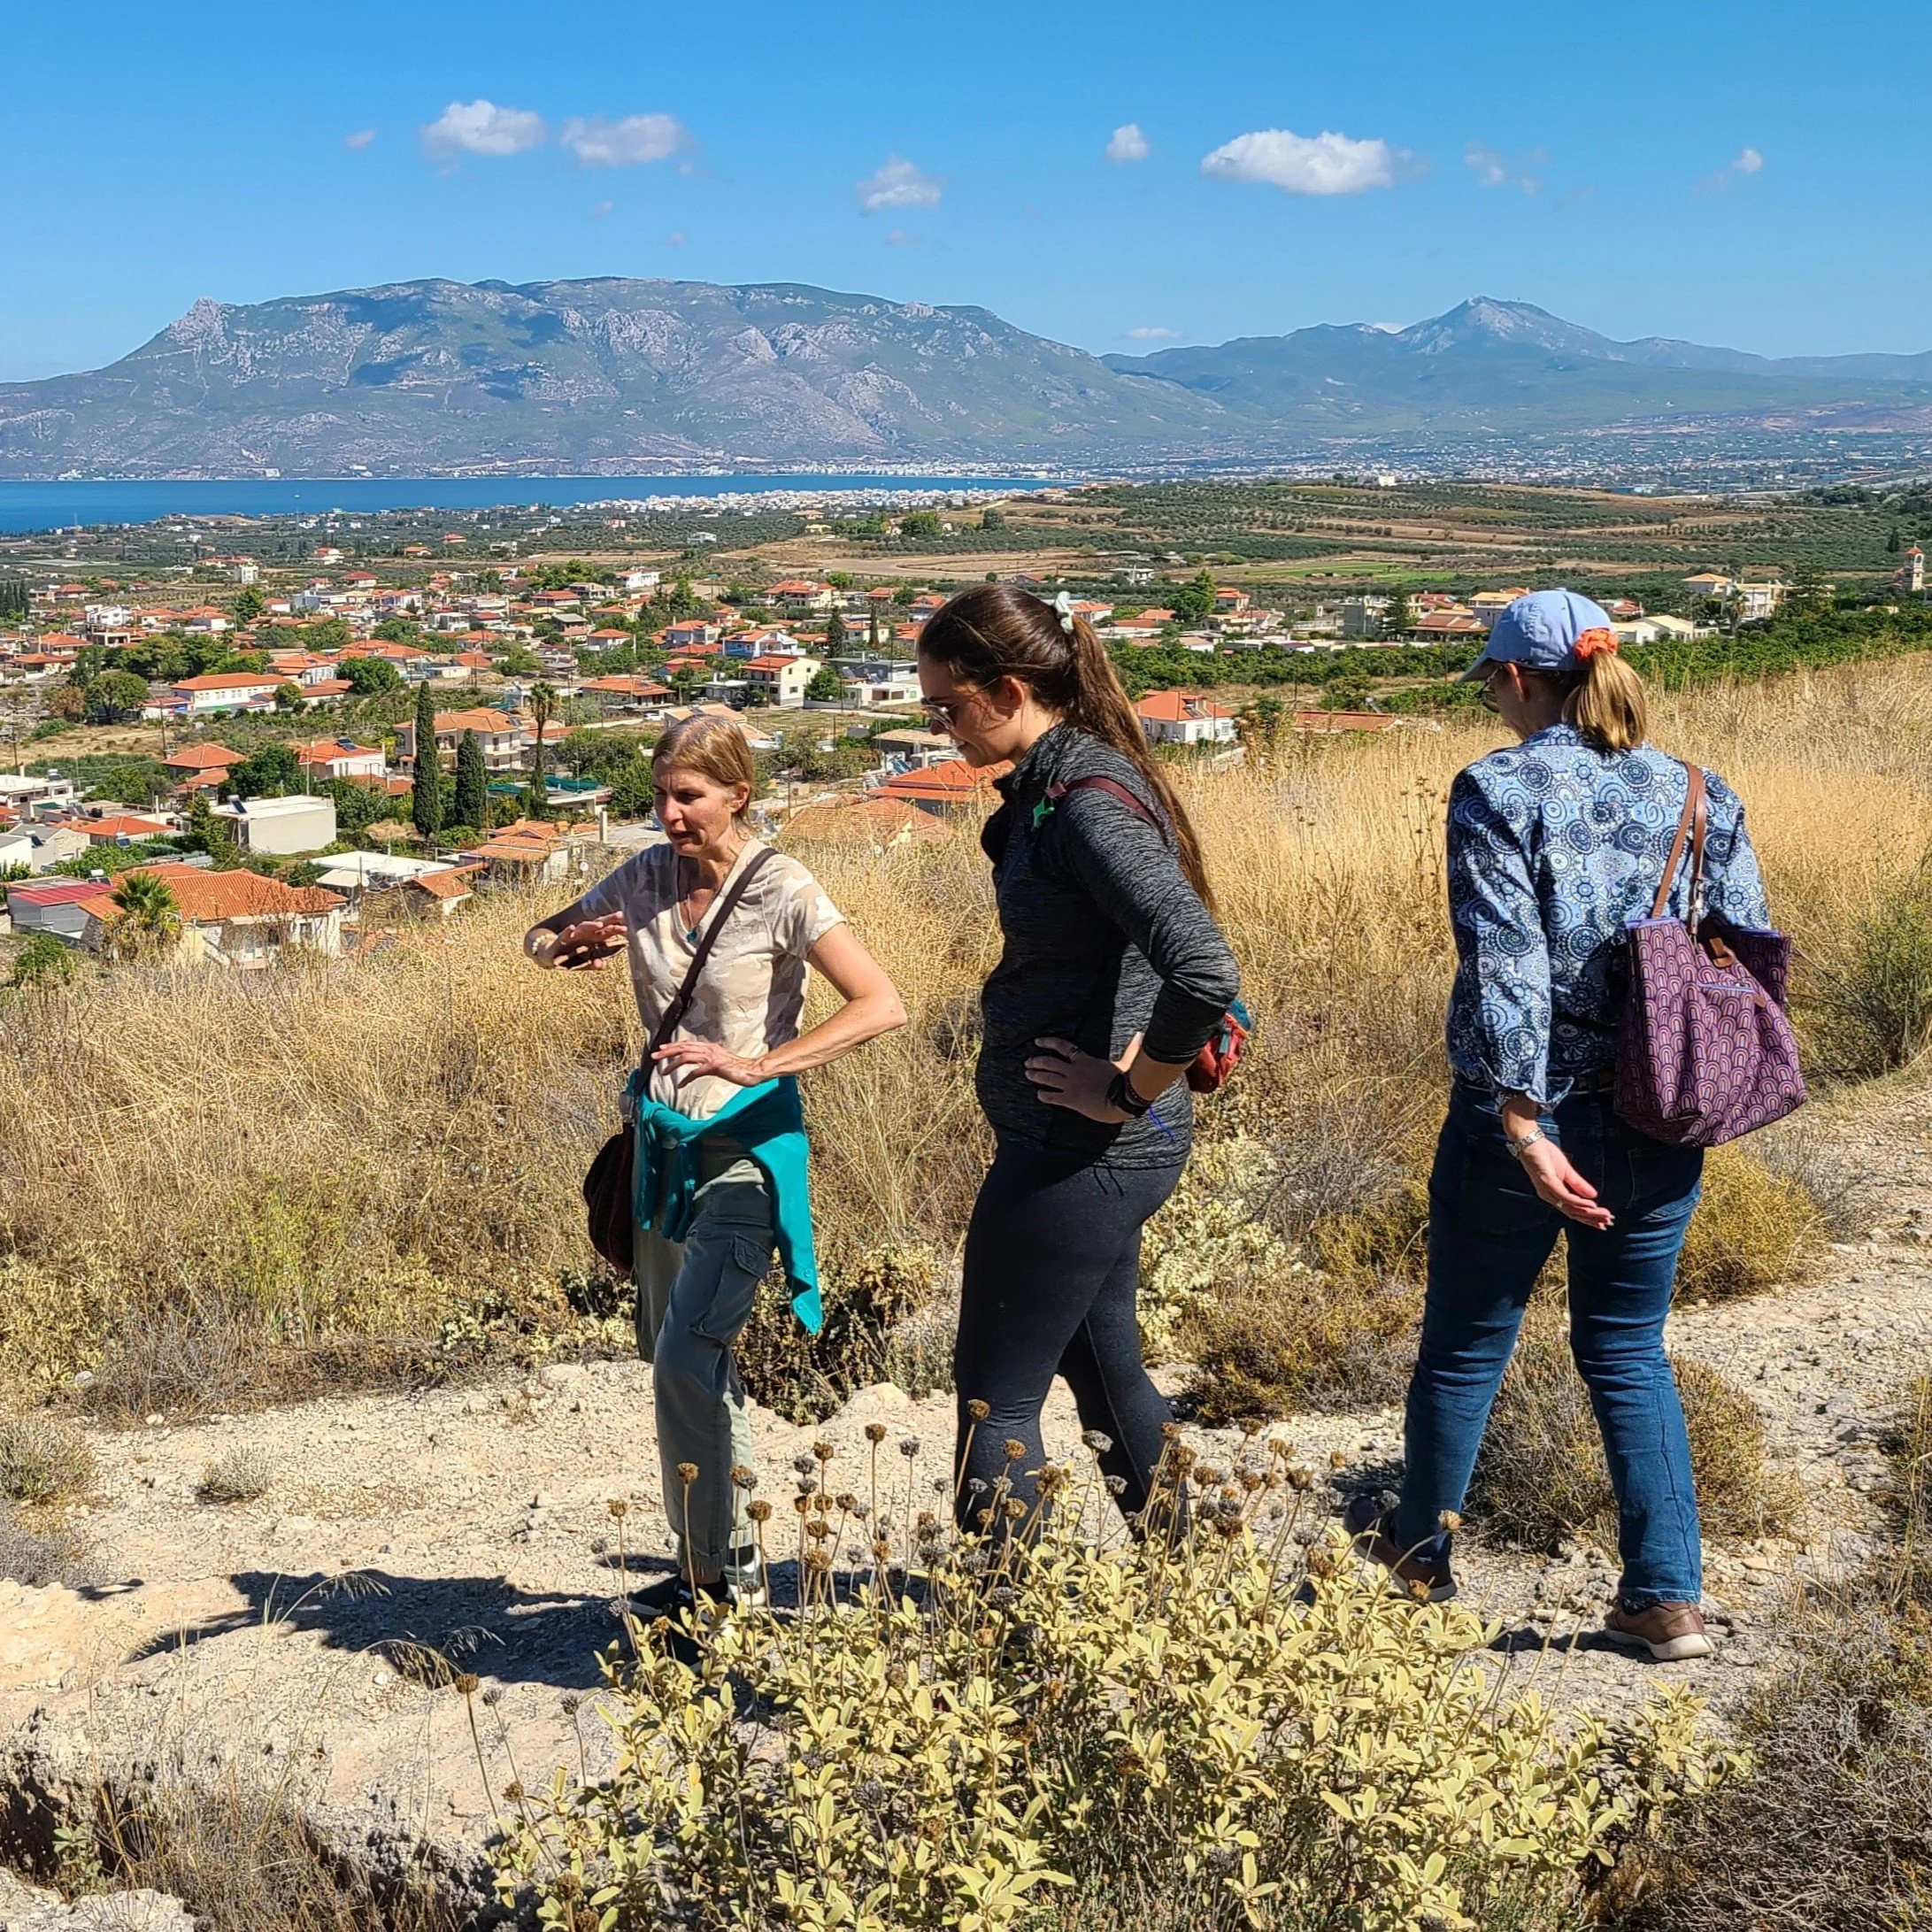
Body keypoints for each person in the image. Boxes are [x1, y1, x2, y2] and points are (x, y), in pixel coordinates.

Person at [1351, 589, 1773, 1662]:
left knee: (1462, 1344)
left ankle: (1417, 1568)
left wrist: (1523, 1121)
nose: (1491, 699)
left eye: (1491, 680)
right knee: (1628, 1349)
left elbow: (1508, 965)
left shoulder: (1494, 788)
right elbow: (1746, 944)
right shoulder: (1697, 787)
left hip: (1528, 1112)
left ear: (1522, 680)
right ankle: (1665, 1597)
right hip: (1660, 1103)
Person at [526, 713, 904, 1611]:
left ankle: (727, 1571)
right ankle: (702, 1574)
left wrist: (761, 1061)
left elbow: (880, 1002)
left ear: (738, 793)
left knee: (688, 1355)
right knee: (676, 1356)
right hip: (661, 1150)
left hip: (742, 1150)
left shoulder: (782, 886)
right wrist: (562, 947)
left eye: (688, 796)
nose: (668, 814)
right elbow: (538, 933)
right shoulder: (646, 876)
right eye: (659, 794)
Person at [917, 583, 1241, 1536]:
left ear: (1009, 688)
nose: (941, 727)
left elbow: (1203, 964)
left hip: (1081, 1146)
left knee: (994, 1395)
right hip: (1087, 1145)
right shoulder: (1061, 784)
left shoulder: (1086, 798)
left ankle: (1006, 1627)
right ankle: (1190, 1574)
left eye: (949, 705)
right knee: (1102, 1363)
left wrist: (1128, 1090)